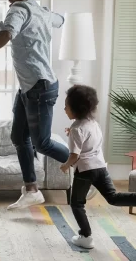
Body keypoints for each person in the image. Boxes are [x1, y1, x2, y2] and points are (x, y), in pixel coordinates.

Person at [0, 0, 69, 210]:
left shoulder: (19, 9)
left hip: (39, 87)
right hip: (31, 87)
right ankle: (32, 190)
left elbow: (8, 32)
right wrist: (53, 16)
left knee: (41, 143)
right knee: (19, 138)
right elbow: (60, 20)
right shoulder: (41, 12)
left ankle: (86, 167)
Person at [60, 85, 136, 249]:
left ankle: (86, 237)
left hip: (85, 171)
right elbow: (87, 139)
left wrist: (66, 166)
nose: (64, 108)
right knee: (113, 197)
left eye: (66, 105)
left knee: (77, 203)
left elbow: (75, 155)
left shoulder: (75, 129)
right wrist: (71, 132)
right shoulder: (92, 123)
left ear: (76, 109)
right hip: (100, 167)